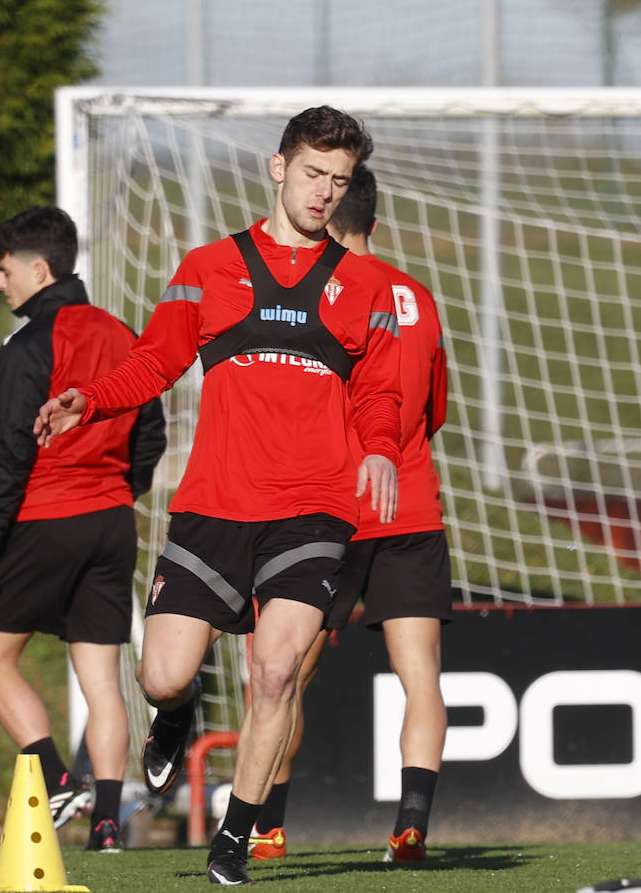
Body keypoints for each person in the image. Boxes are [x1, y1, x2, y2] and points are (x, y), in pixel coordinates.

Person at [34, 105, 401, 886]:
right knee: (161, 674)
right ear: (277, 167)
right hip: (214, 507)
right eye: (312, 174)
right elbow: (153, 364)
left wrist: (376, 451)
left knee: (274, 674)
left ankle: (235, 837)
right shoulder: (207, 268)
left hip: (315, 509)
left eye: (339, 181)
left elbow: (378, 395)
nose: (324, 193)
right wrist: (87, 400)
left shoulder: (367, 284)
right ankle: (176, 712)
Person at [246, 165, 451, 865]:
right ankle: (411, 826)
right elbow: (435, 411)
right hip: (413, 507)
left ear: (326, 215)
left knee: (282, 673)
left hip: (329, 511)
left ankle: (267, 825)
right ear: (376, 222)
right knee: (419, 673)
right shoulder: (417, 296)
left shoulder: (316, 291)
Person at [0, 205, 166, 853]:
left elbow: (10, 455)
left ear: (39, 269)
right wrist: (118, 492)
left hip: (46, 515)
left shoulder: (27, 345)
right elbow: (151, 433)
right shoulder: (125, 333)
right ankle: (107, 825)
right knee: (101, 680)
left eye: (4, 272)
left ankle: (55, 779)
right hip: (111, 521)